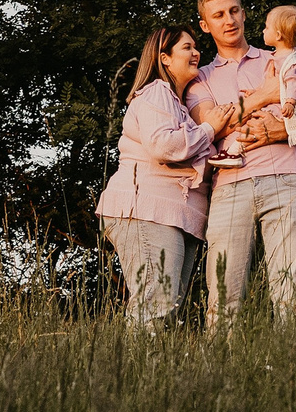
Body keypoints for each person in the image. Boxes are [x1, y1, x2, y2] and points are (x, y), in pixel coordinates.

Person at [186, 0, 296, 322]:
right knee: (224, 296)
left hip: (287, 179)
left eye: (234, 10)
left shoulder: (280, 58)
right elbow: (211, 128)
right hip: (230, 186)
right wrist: (265, 95)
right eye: (219, 15)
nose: (229, 20)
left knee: (290, 293)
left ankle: (295, 371)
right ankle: (217, 374)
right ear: (204, 25)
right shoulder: (199, 79)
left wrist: (280, 130)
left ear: (243, 11)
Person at [95, 26, 233, 326]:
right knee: (155, 305)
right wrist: (210, 129)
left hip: (176, 216)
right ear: (164, 58)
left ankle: (150, 372)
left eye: (196, 47)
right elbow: (164, 146)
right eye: (187, 47)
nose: (196, 52)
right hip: (148, 209)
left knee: (167, 311)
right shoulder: (156, 93)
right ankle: (134, 372)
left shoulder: (180, 106)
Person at [215, 5, 296, 194]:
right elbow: (272, 84)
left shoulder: (289, 60)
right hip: (283, 106)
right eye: (219, 14)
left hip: (286, 108)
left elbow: (294, 81)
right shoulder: (280, 57)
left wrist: (290, 102)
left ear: (277, 35)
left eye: (266, 27)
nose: (262, 30)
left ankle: (235, 151)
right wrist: (258, 93)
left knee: (257, 120)